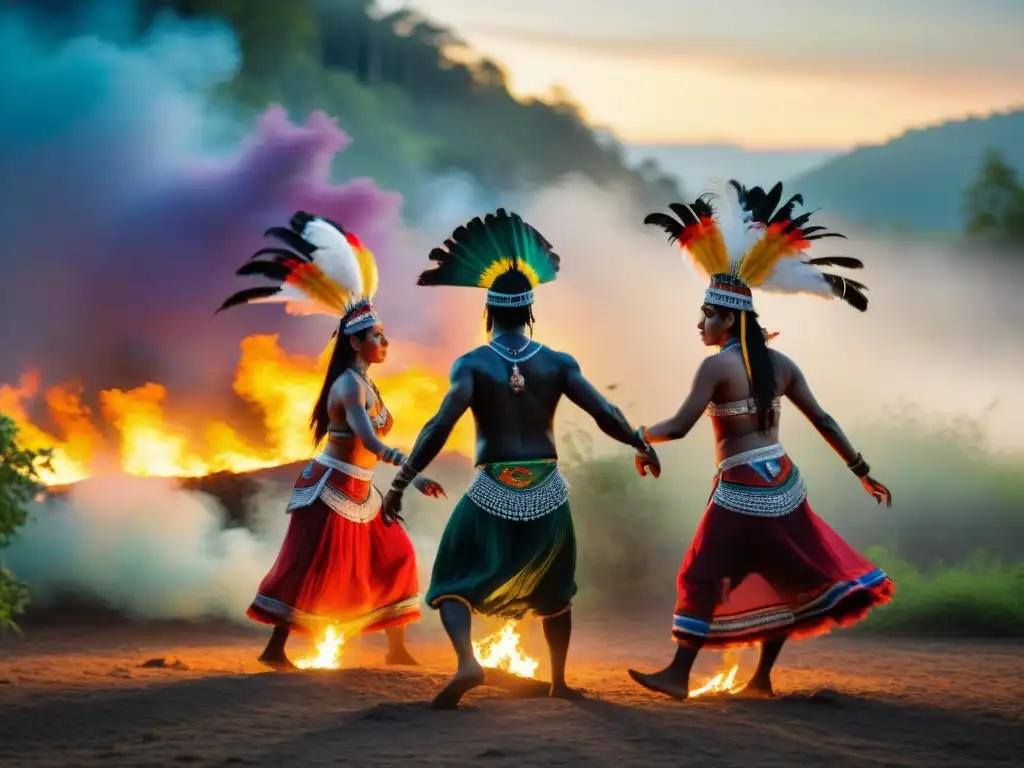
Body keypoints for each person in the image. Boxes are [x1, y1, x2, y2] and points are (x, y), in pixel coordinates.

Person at [380, 208, 661, 708]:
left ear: (488, 310)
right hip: (549, 490)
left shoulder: (472, 364)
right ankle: (558, 680)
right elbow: (605, 412)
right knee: (557, 591)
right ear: (531, 311)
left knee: (450, 581)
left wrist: (401, 482)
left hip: (491, 490)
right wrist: (640, 443)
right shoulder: (557, 362)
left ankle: (468, 661)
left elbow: (439, 426)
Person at [628, 180, 895, 700]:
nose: (700, 322)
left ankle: (679, 675)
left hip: (742, 488)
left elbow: (679, 426)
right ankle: (760, 679)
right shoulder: (781, 364)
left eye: (707, 314)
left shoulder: (717, 367)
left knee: (702, 573)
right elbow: (825, 421)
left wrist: (641, 435)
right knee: (778, 578)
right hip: (784, 483)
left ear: (728, 317)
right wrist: (861, 470)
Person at [217, 211, 447, 669]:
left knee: (395, 554)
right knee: (307, 567)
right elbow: (372, 442)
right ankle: (274, 649)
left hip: (360, 489)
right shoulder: (347, 386)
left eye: (384, 335)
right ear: (358, 342)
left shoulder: (367, 383)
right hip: (330, 488)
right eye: (379, 337)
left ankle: (397, 649)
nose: (386, 342)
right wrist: (414, 476)